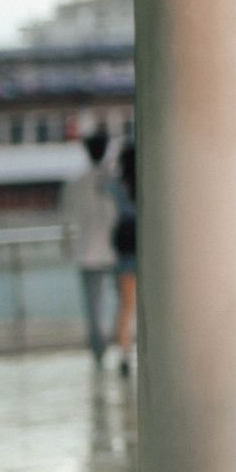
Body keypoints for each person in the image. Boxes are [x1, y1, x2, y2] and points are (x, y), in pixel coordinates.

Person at [62, 130, 118, 367]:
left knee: (93, 308)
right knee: (126, 302)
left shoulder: (75, 183)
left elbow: (67, 221)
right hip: (117, 251)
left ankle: (99, 351)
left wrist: (67, 247)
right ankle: (123, 343)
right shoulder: (114, 180)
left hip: (87, 253)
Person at [110, 142, 137, 378]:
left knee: (126, 307)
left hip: (125, 255)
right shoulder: (147, 185)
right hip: (147, 253)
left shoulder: (117, 188)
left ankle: (125, 353)